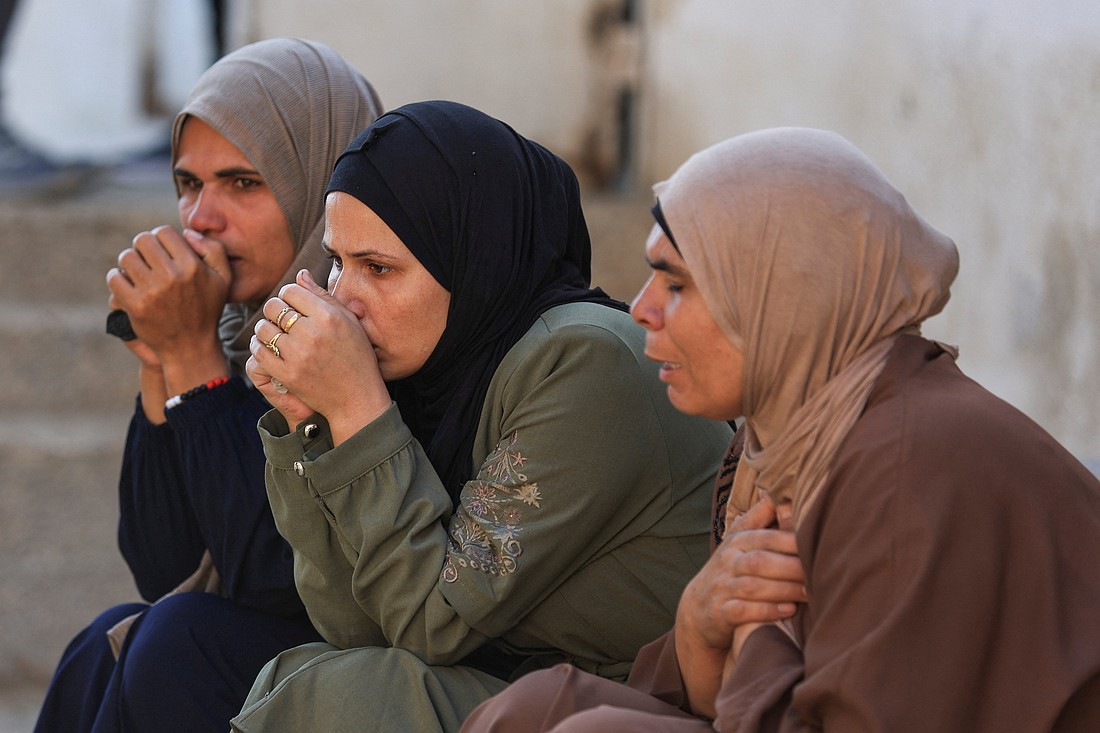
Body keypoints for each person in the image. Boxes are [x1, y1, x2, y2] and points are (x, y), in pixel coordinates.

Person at [459, 127, 1100, 732]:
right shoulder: (781, 440)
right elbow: (712, 695)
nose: (642, 308)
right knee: (531, 711)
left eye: (677, 283)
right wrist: (698, 623)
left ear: (783, 300)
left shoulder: (907, 468)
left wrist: (755, 634)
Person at [227, 100, 733, 733]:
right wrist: (311, 424)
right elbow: (354, 622)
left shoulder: (584, 362)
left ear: (473, 258)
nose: (342, 301)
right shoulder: (434, 374)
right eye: (337, 262)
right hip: (535, 691)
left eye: (379, 268)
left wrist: (357, 412)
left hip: (643, 706)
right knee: (251, 660)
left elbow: (428, 626)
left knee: (341, 696)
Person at [33, 38, 384, 733]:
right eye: (189, 185)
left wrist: (193, 355)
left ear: (322, 182)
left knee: (173, 640)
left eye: (243, 183)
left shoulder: (371, 334)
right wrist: (161, 360)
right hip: (246, 650)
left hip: (371, 668)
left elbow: (267, 578)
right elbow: (164, 565)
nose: (200, 220)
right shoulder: (239, 334)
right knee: (106, 641)